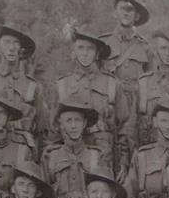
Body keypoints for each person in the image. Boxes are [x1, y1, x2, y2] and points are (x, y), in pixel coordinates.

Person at [51, 28, 132, 177]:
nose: (85, 53)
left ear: (97, 54)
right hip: (70, 158)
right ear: (73, 51)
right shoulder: (62, 85)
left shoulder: (112, 84)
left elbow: (124, 127)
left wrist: (124, 162)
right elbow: (55, 130)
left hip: (104, 156)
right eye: (80, 48)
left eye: (90, 49)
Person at [0, 24, 47, 150]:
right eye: (6, 42)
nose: (11, 48)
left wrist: (35, 160)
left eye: (16, 43)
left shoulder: (33, 86)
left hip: (23, 151)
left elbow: (42, 129)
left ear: (21, 50)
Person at [42, 101, 103, 198]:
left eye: (78, 120)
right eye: (68, 121)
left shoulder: (96, 156)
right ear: (61, 124)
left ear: (84, 123)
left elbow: (104, 197)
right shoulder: (51, 156)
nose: (74, 125)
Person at [99, 0, 153, 104]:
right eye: (122, 9)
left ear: (137, 16)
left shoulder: (145, 47)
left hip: (136, 105)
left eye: (130, 10)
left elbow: (152, 82)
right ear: (115, 13)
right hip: (109, 103)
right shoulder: (103, 43)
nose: (126, 13)